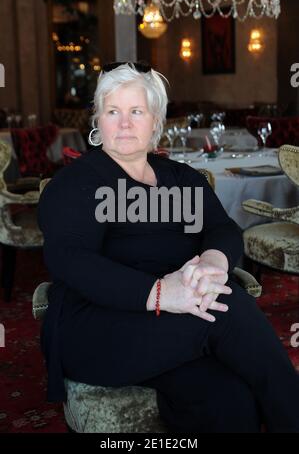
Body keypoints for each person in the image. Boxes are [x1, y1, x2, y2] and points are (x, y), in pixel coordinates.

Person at [38, 62, 299, 433]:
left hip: (173, 324)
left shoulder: (181, 178)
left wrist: (212, 261)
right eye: (113, 111)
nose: (124, 123)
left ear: (155, 121)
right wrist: (161, 294)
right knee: (226, 307)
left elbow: (222, 229)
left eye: (136, 112)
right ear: (98, 119)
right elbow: (71, 261)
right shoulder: (75, 184)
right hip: (98, 328)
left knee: (229, 399)